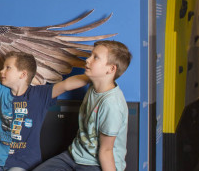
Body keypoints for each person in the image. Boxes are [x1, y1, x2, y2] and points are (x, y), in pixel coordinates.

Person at [33, 40, 132, 171]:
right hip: (75, 155)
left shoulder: (111, 104)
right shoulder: (95, 81)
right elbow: (66, 85)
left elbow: (106, 151)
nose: (88, 60)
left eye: (96, 57)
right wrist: (30, 94)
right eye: (91, 55)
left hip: (97, 163)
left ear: (111, 69)